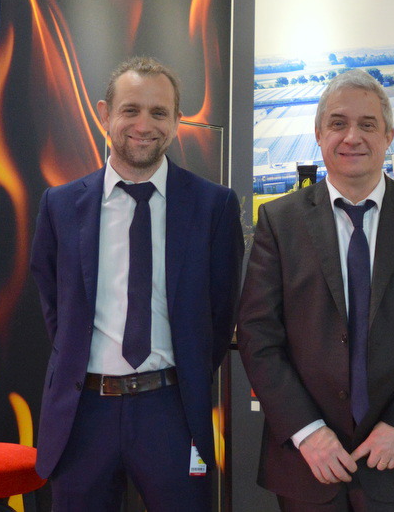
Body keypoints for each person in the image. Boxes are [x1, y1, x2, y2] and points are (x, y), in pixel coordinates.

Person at [238, 69, 394, 511]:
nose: (352, 137)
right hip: (308, 463)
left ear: (388, 136)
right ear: (319, 134)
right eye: (338, 123)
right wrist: (307, 432)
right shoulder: (279, 221)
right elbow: (257, 334)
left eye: (367, 124)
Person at [30, 56, 243, 511]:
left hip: (172, 412)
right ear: (104, 114)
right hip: (82, 414)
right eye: (131, 110)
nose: (144, 125)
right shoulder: (60, 206)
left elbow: (220, 314)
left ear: (177, 121)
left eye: (159, 112)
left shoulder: (214, 207)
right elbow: (53, 303)